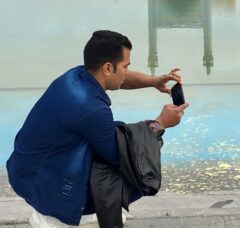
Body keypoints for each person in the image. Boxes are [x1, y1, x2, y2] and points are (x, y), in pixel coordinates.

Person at [7, 30, 188, 227]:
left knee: (116, 144)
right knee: (133, 168)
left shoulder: (77, 75)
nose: (127, 71)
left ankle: (66, 209)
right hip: (43, 185)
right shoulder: (90, 108)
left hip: (25, 170)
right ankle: (53, 217)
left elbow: (119, 79)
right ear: (108, 68)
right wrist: (160, 124)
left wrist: (153, 81)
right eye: (126, 65)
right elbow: (121, 158)